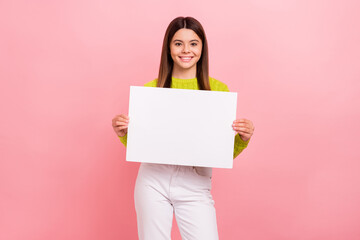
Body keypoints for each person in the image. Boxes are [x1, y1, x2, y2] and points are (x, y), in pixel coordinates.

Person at [112, 16, 255, 240]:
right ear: (169, 48)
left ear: (202, 48)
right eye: (178, 43)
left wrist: (242, 138)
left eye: (193, 43)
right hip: (153, 179)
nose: (186, 50)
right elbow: (142, 144)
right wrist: (124, 133)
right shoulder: (151, 90)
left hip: (195, 182)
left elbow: (222, 152)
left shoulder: (218, 91)